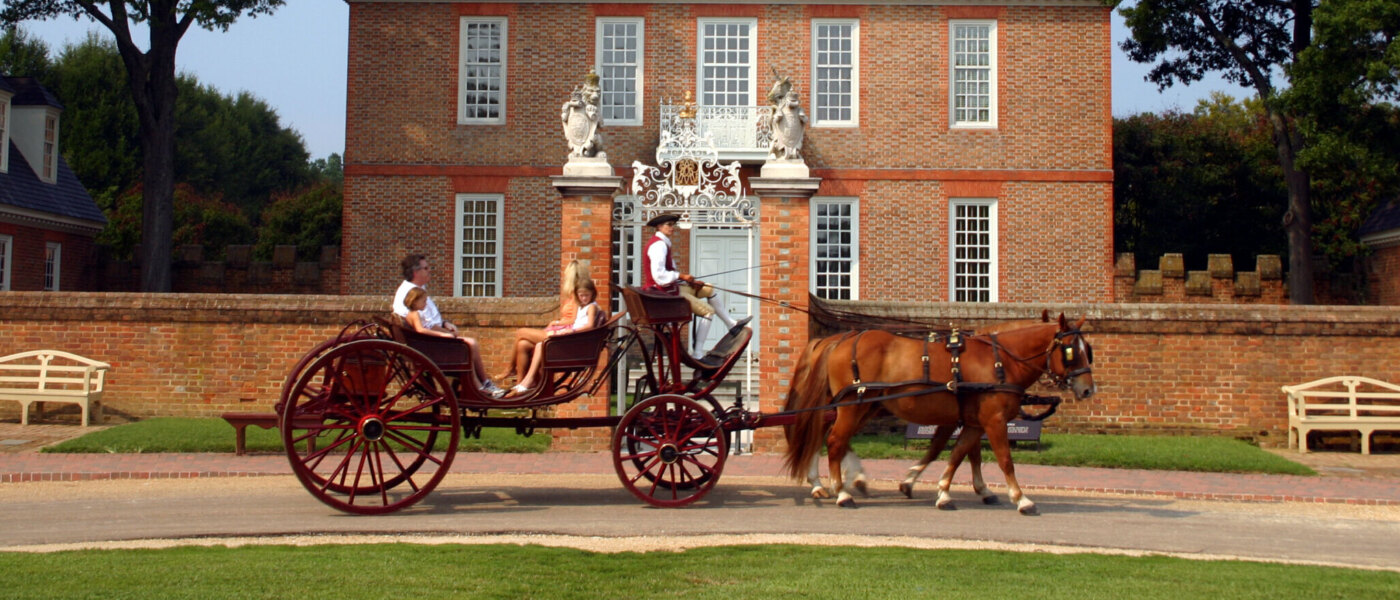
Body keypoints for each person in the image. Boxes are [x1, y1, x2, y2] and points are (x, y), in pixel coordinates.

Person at [393, 253, 505, 398]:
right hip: (428, 346)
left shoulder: (417, 289)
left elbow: (429, 320)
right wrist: (444, 334)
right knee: (470, 344)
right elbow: (422, 327)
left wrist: (445, 324)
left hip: (429, 342)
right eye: (426, 268)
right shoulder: (410, 293)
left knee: (468, 344)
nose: (429, 271)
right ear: (416, 272)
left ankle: (482, 384)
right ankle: (482, 385)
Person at [641, 213, 750, 359]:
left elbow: (670, 273)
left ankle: (730, 323)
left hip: (671, 288)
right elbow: (659, 276)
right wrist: (682, 276)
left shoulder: (664, 243)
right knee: (708, 311)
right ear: (659, 227)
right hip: (665, 294)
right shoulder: (658, 245)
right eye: (669, 225)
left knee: (708, 288)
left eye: (673, 225)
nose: (672, 228)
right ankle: (698, 352)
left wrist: (689, 282)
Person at [496, 260, 589, 384]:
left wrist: (556, 323)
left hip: (564, 336)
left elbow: (574, 320)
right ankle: (520, 383)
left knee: (520, 333)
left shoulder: (578, 295)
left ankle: (510, 368)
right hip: (561, 331)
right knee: (522, 344)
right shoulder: (573, 294)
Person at [508, 279, 601, 396]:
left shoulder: (592, 307)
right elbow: (574, 320)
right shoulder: (580, 305)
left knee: (521, 332)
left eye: (586, 295)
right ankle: (526, 382)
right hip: (568, 335)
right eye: (581, 295)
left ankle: (515, 371)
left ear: (592, 293)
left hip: (572, 340)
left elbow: (590, 325)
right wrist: (557, 323)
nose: (584, 298)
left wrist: (571, 330)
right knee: (526, 344)